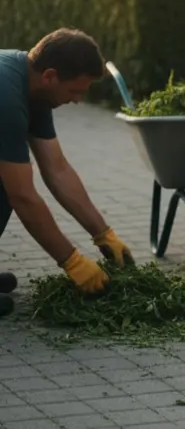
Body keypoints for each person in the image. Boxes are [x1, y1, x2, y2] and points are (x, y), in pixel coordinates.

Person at [0, 28, 136, 316]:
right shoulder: (6, 100)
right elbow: (24, 197)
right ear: (50, 76)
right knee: (10, 185)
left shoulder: (33, 88)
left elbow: (57, 169)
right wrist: (71, 261)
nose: (77, 101)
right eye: (75, 91)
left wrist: (103, 234)